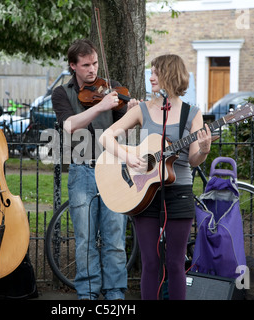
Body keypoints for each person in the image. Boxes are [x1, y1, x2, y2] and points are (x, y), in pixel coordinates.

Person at [99, 54, 212, 300]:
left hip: (179, 193)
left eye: (156, 73)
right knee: (150, 262)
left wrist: (203, 150)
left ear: (170, 76)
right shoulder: (143, 110)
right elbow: (105, 137)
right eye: (151, 72)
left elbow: (193, 160)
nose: (150, 77)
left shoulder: (192, 114)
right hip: (144, 194)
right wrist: (127, 157)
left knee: (174, 263)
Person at [51, 39, 134, 300]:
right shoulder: (62, 93)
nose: (93, 70)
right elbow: (69, 126)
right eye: (86, 65)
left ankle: (116, 292)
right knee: (85, 239)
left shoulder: (111, 91)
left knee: (115, 236)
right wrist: (101, 106)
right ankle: (87, 293)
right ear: (73, 66)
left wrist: (131, 111)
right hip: (82, 170)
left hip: (112, 169)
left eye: (95, 63)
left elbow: (124, 130)